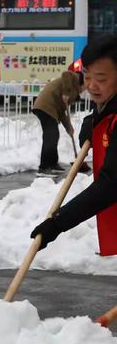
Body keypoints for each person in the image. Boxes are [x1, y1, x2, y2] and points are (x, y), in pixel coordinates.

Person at [31, 35, 117, 257]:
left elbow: (110, 185)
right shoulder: (107, 109)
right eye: (87, 77)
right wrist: (94, 121)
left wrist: (58, 223)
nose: (91, 86)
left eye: (101, 78)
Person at [32, 70, 84, 177]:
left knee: (54, 135)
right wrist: (65, 93)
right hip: (45, 106)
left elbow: (61, 111)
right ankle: (44, 167)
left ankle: (53, 164)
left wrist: (68, 127)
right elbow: (66, 74)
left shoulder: (73, 90)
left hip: (50, 108)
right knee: (50, 136)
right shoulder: (74, 79)